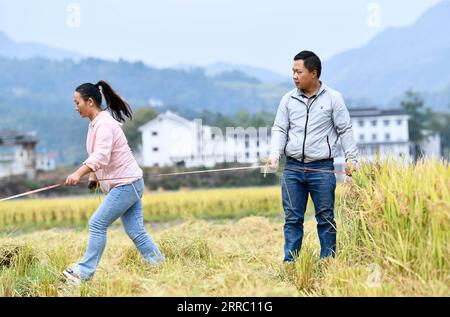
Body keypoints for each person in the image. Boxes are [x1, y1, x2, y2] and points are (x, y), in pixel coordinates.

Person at [63, 80, 165, 284]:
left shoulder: (104, 124)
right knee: (136, 231)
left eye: (77, 103)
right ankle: (161, 266)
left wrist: (78, 173)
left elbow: (100, 155)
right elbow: (102, 155)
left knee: (97, 223)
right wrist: (93, 177)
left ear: (90, 101)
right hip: (130, 183)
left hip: (126, 185)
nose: (76, 107)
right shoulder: (95, 124)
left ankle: (83, 273)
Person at [267, 51, 359, 262]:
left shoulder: (333, 99)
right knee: (292, 219)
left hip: (322, 169)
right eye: (293, 71)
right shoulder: (288, 99)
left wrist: (352, 161)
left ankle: (328, 262)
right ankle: (291, 263)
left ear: (313, 73)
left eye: (298, 72)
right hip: (292, 169)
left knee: (326, 219)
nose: (294, 76)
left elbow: (345, 130)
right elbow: (279, 129)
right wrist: (274, 155)